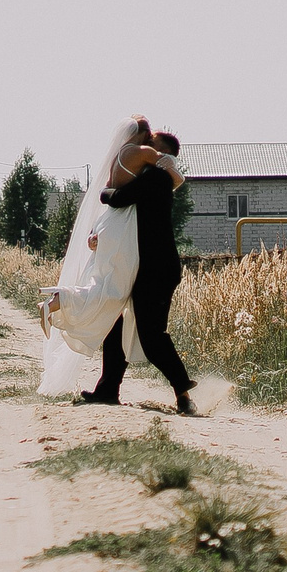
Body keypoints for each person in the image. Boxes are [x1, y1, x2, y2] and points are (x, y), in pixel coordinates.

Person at [37, 118, 167, 397]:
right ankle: (61, 300)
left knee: (113, 306)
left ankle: (108, 388)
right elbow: (167, 165)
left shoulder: (120, 159)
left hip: (111, 227)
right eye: (150, 136)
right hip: (122, 233)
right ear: (143, 135)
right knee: (112, 293)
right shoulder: (138, 153)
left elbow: (108, 194)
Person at [85, 127, 195, 414]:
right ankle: (108, 389)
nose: (147, 147)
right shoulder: (153, 176)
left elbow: (117, 199)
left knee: (151, 334)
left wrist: (106, 191)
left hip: (157, 269)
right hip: (144, 265)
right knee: (116, 323)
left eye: (152, 145)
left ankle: (183, 391)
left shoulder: (156, 177)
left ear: (163, 154)